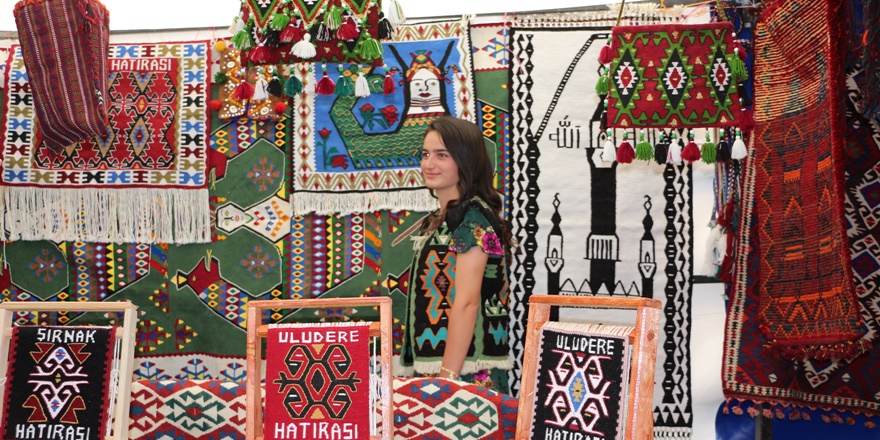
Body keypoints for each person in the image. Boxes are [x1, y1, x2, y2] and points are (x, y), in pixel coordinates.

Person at [400, 115, 514, 393]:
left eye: (442, 155)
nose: (428, 164)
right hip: (438, 367)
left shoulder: (473, 219)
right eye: (425, 154)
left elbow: (467, 303)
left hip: (466, 373)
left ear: (466, 160)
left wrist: (446, 380)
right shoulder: (437, 220)